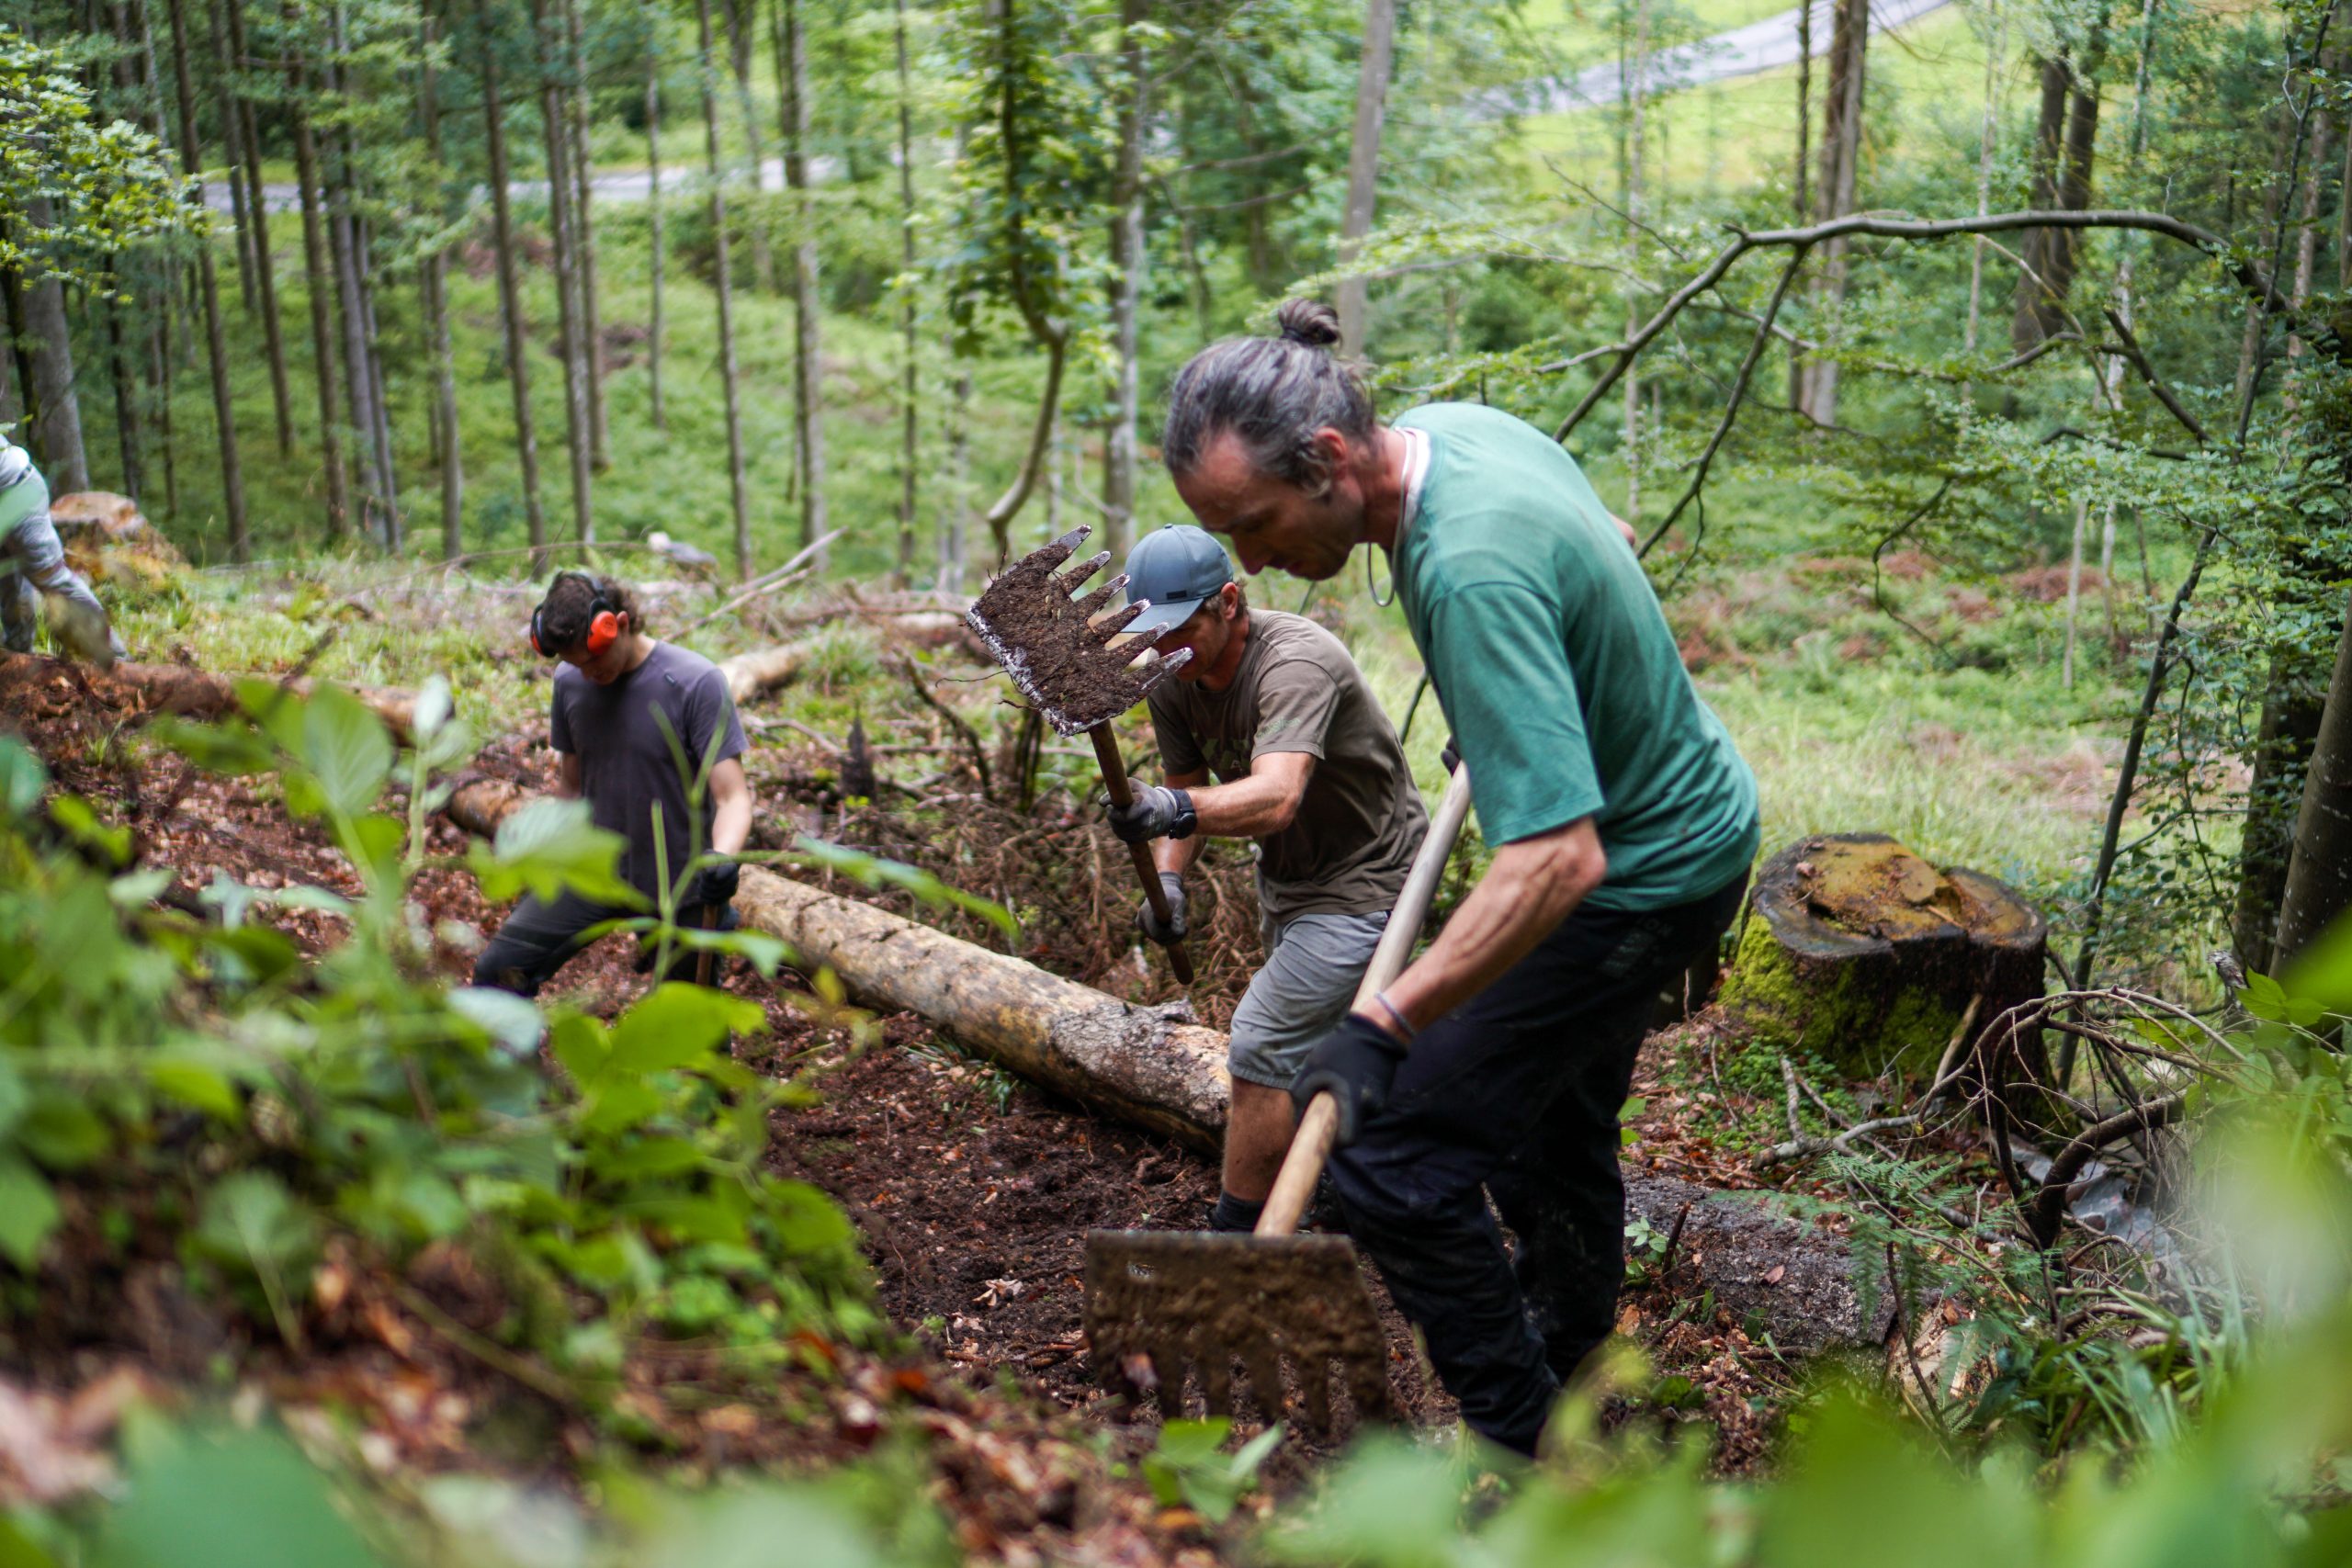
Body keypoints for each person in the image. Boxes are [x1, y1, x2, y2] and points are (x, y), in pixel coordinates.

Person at [1156, 299, 1759, 1457]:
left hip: (1641, 875)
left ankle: (1527, 1450)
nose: (1253, 560)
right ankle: (1572, 1347)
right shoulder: (1456, 435)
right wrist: (1528, 695)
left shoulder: (1466, 565)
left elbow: (1557, 857)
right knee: (1554, 1116)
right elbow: (1610, 534)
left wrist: (1383, 1019)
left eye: (1256, 521)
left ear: (1328, 460)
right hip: (1693, 817)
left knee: (1392, 1161)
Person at [1109, 525, 1427, 1234]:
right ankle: (1352, 1198)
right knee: (1326, 1050)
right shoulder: (1174, 678)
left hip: (1374, 884)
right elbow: (1184, 780)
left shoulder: (1295, 663)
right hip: (1290, 882)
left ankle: (1235, 1238)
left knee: (1258, 1042)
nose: (1164, 650)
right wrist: (1169, 883)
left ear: (1228, 601)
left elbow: (1275, 797)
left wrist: (1174, 811)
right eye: (1152, 636)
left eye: (1180, 630)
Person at [474, 570, 753, 998]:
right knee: (499, 972)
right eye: (574, 664)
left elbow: (732, 796)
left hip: (679, 884)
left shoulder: (696, 682)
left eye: (594, 660)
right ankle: (519, 1065)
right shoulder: (569, 684)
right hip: (594, 871)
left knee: (694, 1028)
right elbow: (571, 787)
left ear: (620, 623)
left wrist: (721, 859)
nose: (587, 675)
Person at [1, 431, 122, 665]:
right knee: (9, 582)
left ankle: (115, 655)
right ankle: (18, 655)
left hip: (17, 489)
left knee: (50, 576)